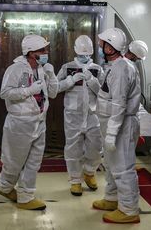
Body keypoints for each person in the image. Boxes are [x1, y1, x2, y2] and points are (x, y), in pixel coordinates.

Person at [0, 34, 59, 210]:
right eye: (42, 50)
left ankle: (25, 196)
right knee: (14, 161)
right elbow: (5, 93)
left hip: (39, 121)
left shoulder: (42, 68)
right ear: (31, 53)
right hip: (20, 123)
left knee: (34, 161)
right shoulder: (15, 69)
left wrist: (51, 75)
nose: (46, 53)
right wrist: (29, 90)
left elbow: (53, 93)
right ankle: (4, 186)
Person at [92, 28, 141, 224]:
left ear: (110, 47)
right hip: (112, 122)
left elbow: (119, 104)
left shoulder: (122, 68)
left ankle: (129, 210)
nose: (99, 45)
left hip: (121, 124)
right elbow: (107, 95)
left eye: (102, 42)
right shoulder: (115, 66)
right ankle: (112, 199)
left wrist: (112, 134)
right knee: (112, 166)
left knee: (123, 167)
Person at [56, 35, 103, 196]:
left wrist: (92, 81)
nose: (85, 57)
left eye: (88, 54)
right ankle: (75, 180)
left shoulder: (97, 69)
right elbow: (55, 88)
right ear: (76, 51)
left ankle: (89, 172)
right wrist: (70, 80)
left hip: (92, 115)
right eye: (82, 55)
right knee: (72, 149)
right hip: (72, 116)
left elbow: (104, 92)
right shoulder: (67, 67)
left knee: (97, 146)